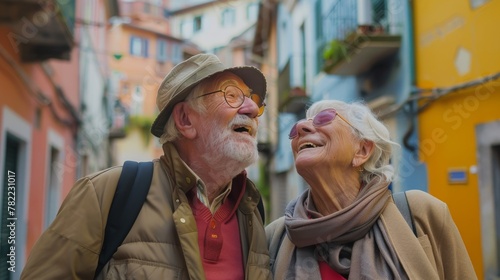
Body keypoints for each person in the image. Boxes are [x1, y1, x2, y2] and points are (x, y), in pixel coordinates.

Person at [21, 53, 272, 279]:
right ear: (185, 119)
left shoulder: (252, 210)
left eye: (253, 99)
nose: (252, 109)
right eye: (231, 95)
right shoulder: (104, 194)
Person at [266, 99, 477, 279]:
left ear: (363, 150)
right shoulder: (275, 237)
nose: (302, 127)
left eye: (324, 118)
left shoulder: (422, 213)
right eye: (296, 128)